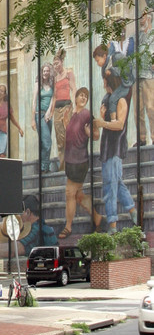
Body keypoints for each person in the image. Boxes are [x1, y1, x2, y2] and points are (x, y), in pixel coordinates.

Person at [94, 67, 136, 232]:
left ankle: (112, 223)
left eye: (105, 78)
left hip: (115, 145)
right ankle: (132, 209)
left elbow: (119, 124)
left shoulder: (121, 100)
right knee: (115, 182)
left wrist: (102, 122)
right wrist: (101, 117)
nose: (103, 81)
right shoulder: (107, 99)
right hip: (107, 145)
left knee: (110, 186)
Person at [58, 86, 102, 237]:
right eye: (81, 95)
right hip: (70, 161)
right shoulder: (74, 115)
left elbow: (96, 135)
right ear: (75, 98)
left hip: (80, 161)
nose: (83, 98)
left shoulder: (87, 114)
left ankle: (68, 227)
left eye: (86, 96)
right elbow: (71, 135)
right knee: (79, 196)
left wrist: (90, 133)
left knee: (70, 193)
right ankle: (97, 218)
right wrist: (65, 123)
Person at [52, 49, 76, 170]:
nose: (56, 66)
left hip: (67, 106)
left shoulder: (68, 73)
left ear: (62, 61)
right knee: (59, 138)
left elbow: (74, 89)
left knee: (68, 135)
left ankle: (71, 163)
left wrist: (76, 107)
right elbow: (54, 96)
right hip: (57, 108)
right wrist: (50, 112)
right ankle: (63, 166)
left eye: (57, 63)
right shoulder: (55, 78)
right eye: (54, 64)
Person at [32, 62, 56, 172]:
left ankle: (44, 167)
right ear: (41, 73)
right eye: (44, 71)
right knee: (47, 142)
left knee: (45, 142)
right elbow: (34, 102)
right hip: (39, 115)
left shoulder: (51, 85)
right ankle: (44, 167)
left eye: (47, 71)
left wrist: (49, 113)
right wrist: (32, 119)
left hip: (48, 117)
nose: (45, 73)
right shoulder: (38, 84)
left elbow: (53, 98)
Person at [139, 13, 154, 146]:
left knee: (151, 108)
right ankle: (141, 138)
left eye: (142, 17)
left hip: (149, 76)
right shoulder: (139, 36)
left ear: (149, 19)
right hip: (138, 76)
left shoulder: (153, 35)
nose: (140, 20)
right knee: (138, 110)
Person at [0, 84, 24, 156]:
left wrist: (19, 128)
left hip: (2, 133)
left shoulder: (7, 105)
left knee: (1, 155)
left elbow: (12, 118)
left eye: (2, 91)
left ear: (5, 94)